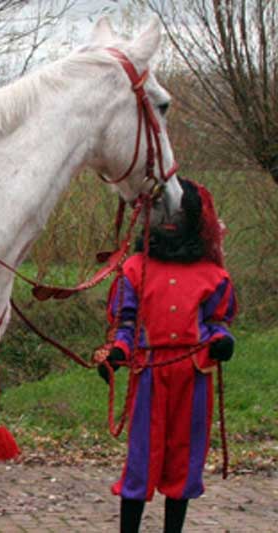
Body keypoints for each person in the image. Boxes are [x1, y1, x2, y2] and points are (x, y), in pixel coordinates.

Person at [95, 178, 237, 533]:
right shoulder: (134, 269)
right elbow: (126, 323)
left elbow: (216, 320)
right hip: (149, 374)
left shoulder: (213, 275)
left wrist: (222, 341)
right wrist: (117, 353)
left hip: (194, 374)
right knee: (142, 457)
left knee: (184, 458)